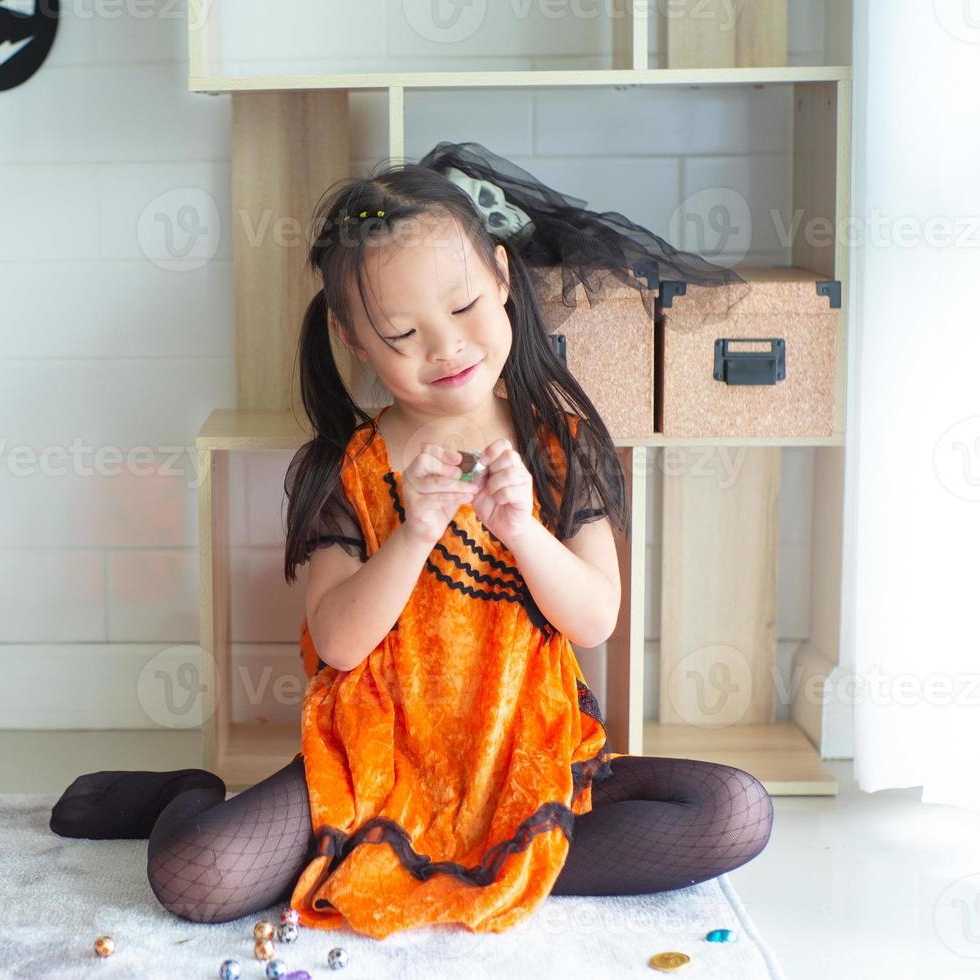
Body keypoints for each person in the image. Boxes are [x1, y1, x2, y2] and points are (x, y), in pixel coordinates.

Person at [50, 145, 773, 939]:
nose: (446, 347)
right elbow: (336, 641)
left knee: (733, 811)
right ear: (352, 338)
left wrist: (521, 530)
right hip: (375, 764)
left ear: (501, 277)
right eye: (401, 331)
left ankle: (477, 859)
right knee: (196, 877)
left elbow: (594, 619)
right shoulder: (349, 466)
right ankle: (187, 791)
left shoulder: (559, 446)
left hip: (520, 758)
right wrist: (413, 533)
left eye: (462, 308)